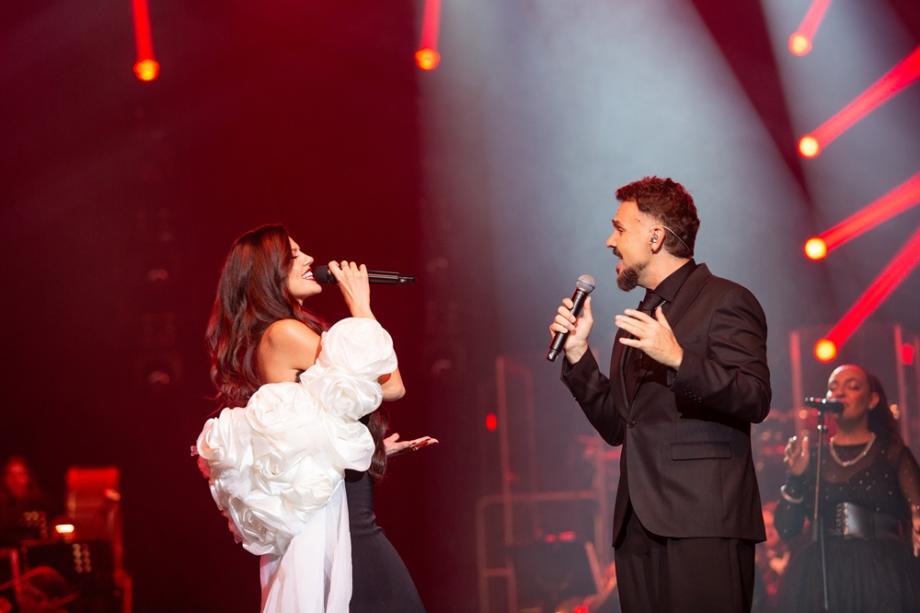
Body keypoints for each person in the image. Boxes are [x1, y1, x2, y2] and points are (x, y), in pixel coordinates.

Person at [548, 176, 771, 612]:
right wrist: (578, 356)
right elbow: (619, 426)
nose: (610, 241)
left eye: (619, 228)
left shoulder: (726, 300)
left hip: (702, 521)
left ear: (656, 237)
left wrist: (678, 359)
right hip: (638, 527)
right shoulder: (639, 318)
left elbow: (755, 396)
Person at [195, 225, 431, 612]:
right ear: (268, 273)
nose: (308, 259)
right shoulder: (284, 332)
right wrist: (361, 307)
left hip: (344, 508)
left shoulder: (277, 333)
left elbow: (308, 424)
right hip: (345, 523)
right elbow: (391, 385)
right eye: (293, 256)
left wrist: (368, 448)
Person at [774, 364, 920, 613]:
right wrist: (795, 477)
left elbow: (916, 507)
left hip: (882, 573)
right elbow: (787, 529)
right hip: (823, 574)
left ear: (872, 400)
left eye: (852, 387)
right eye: (833, 388)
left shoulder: (892, 452)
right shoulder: (813, 457)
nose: (839, 393)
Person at [0, 456, 48, 546]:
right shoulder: (2, 507)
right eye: (11, 475)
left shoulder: (40, 504)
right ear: (5, 478)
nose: (16, 480)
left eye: (20, 474)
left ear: (28, 477)